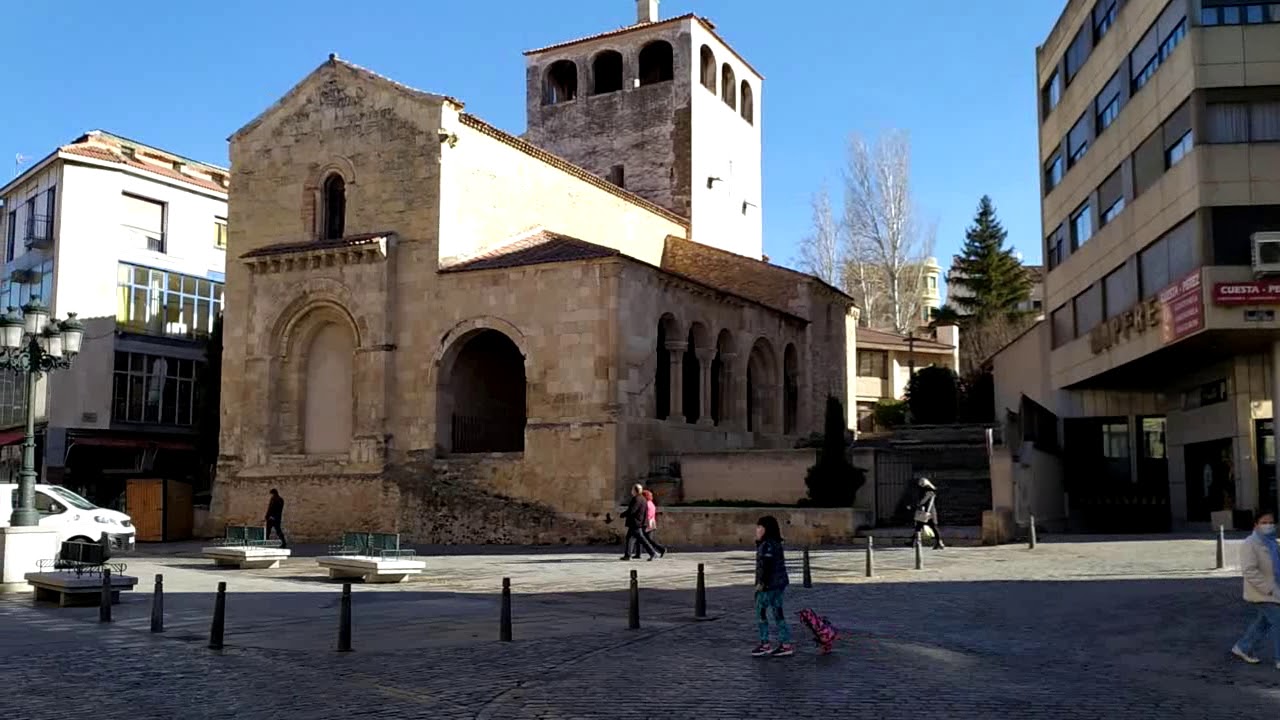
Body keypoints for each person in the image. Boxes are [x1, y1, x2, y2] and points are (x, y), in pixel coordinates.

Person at [1231, 510, 1280, 668]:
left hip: (1275, 589)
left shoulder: (1272, 542)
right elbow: (1249, 571)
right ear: (1256, 525)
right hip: (1262, 592)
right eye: (1264, 522)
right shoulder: (1250, 543)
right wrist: (1269, 589)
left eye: (1271, 522)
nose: (1268, 525)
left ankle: (1242, 647)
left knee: (1264, 622)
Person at [751, 515, 793, 657]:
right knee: (777, 612)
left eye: (759, 527)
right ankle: (785, 644)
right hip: (779, 583)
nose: (757, 530)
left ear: (766, 529)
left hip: (769, 585)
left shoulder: (767, 545)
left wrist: (761, 584)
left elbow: (766, 567)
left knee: (761, 612)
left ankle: (765, 644)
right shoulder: (775, 543)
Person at [620, 484, 656, 561]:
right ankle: (627, 555)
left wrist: (623, 514)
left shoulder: (636, 499)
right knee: (629, 538)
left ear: (635, 490)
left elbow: (632, 510)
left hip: (635, 522)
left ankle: (652, 553)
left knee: (641, 538)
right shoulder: (643, 499)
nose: (631, 491)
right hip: (639, 522)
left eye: (632, 489)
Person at [911, 477, 945, 550]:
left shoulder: (929, 490)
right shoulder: (926, 489)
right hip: (927, 511)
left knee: (927, 526)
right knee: (925, 526)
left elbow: (927, 501)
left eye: (922, 483)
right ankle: (939, 542)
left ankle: (914, 542)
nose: (921, 485)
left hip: (928, 511)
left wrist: (925, 509)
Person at [633, 489, 666, 559]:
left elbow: (646, 514)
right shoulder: (651, 503)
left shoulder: (646, 504)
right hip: (651, 522)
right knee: (641, 538)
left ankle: (660, 549)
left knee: (646, 539)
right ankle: (638, 554)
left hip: (647, 523)